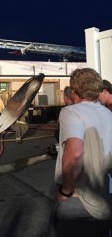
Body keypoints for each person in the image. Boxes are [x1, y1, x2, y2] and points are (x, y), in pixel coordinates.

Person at [49, 68, 112, 237]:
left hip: (82, 200)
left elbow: (75, 153)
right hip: (106, 198)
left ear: (75, 90)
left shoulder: (71, 112)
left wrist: (66, 190)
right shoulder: (108, 113)